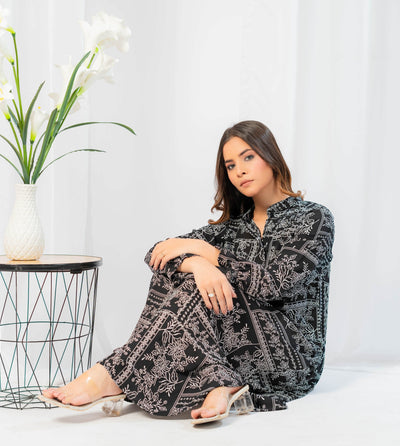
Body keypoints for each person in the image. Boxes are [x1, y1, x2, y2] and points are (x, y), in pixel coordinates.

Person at [40, 120, 335, 424]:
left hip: (292, 359)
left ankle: (112, 374)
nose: (239, 171)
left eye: (248, 157)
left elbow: (275, 284)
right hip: (237, 353)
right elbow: (158, 253)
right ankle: (221, 384)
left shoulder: (314, 218)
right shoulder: (232, 229)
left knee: (195, 286)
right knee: (181, 274)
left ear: (270, 156)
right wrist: (198, 264)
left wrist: (209, 254)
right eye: (230, 165)